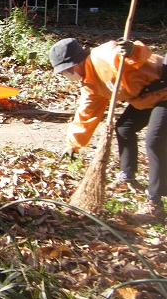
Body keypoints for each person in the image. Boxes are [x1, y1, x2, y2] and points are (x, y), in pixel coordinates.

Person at [49, 37, 167, 223]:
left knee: (155, 139)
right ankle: (128, 177)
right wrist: (73, 144)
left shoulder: (103, 56)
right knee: (124, 128)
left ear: (77, 61)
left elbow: (141, 54)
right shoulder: (90, 83)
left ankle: (155, 203)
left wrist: (131, 50)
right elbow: (86, 114)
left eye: (68, 70)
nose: (68, 75)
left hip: (163, 88)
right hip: (144, 98)